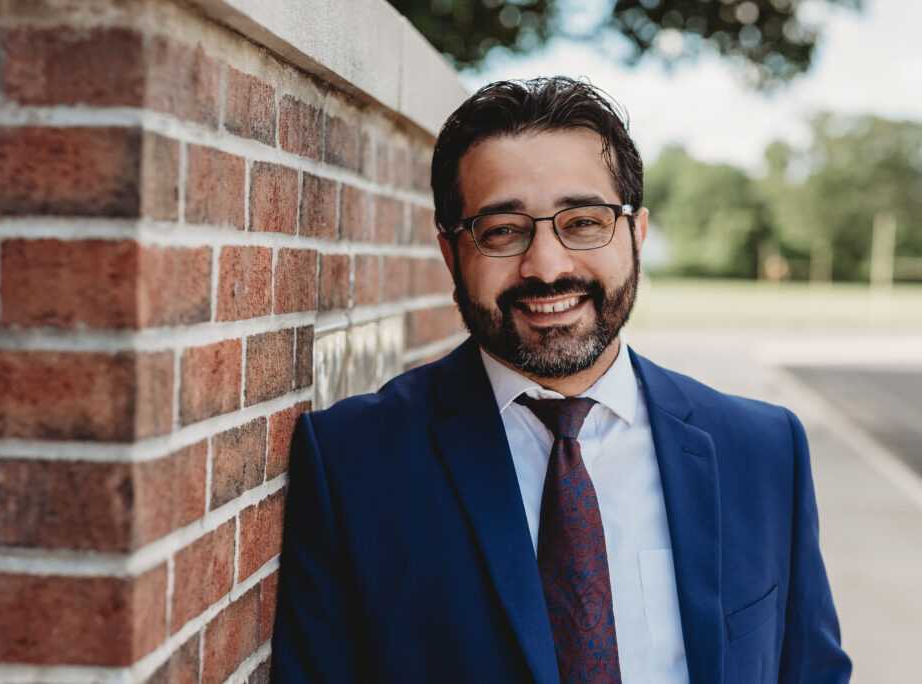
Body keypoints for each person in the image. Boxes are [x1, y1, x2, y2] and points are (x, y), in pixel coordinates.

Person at [270, 77, 851, 684]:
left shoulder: (762, 450)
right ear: (451, 254)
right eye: (502, 231)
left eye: (582, 223)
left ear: (637, 233)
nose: (547, 266)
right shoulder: (352, 463)